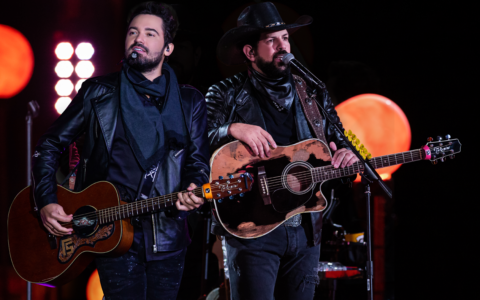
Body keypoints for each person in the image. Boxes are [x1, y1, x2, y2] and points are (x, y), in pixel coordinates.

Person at [31, 2, 210, 299]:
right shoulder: (98, 92)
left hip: (167, 236)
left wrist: (194, 187)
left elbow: (198, 161)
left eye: (150, 33)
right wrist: (46, 200)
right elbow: (48, 144)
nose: (138, 39)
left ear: (168, 48)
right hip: (111, 231)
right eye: (133, 32)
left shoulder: (190, 101)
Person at [206, 2, 358, 300]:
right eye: (271, 40)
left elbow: (341, 141)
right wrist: (232, 129)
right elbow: (193, 144)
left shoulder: (312, 92)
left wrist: (347, 156)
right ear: (250, 52)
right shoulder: (225, 93)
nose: (282, 46)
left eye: (285, 38)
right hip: (251, 227)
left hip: (306, 228)